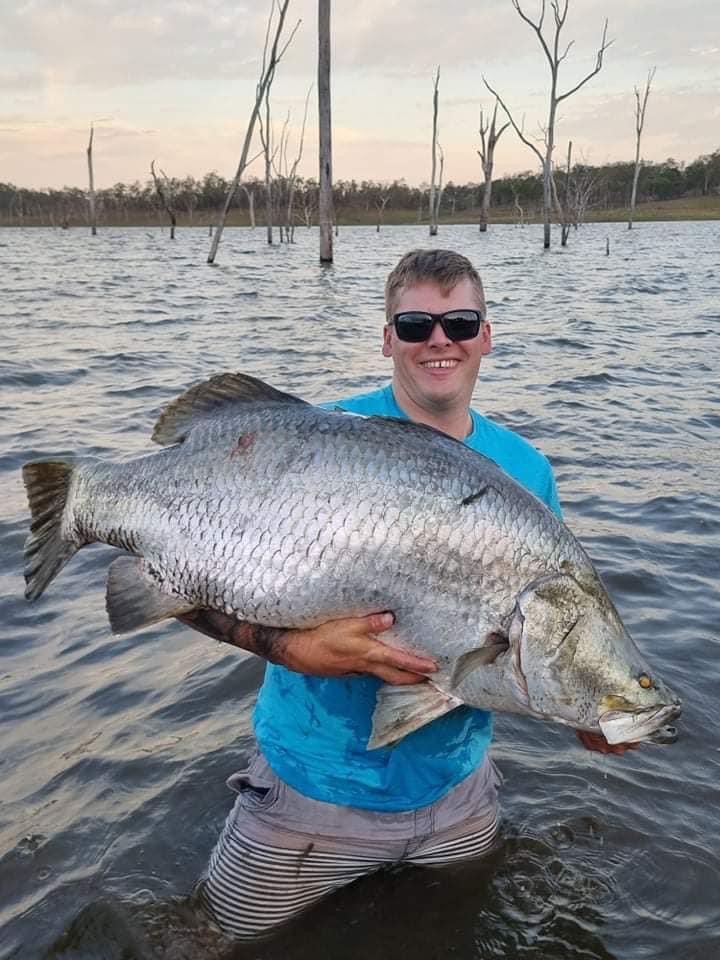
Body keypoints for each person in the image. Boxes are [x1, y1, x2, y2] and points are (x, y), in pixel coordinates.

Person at [181, 249, 631, 941]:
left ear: (486, 335)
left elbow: (539, 631)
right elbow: (181, 583)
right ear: (389, 338)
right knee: (215, 940)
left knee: (444, 937)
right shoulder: (313, 441)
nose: (439, 340)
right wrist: (292, 649)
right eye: (417, 324)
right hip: (310, 795)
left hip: (459, 796)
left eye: (460, 323)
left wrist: (594, 707)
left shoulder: (528, 470)